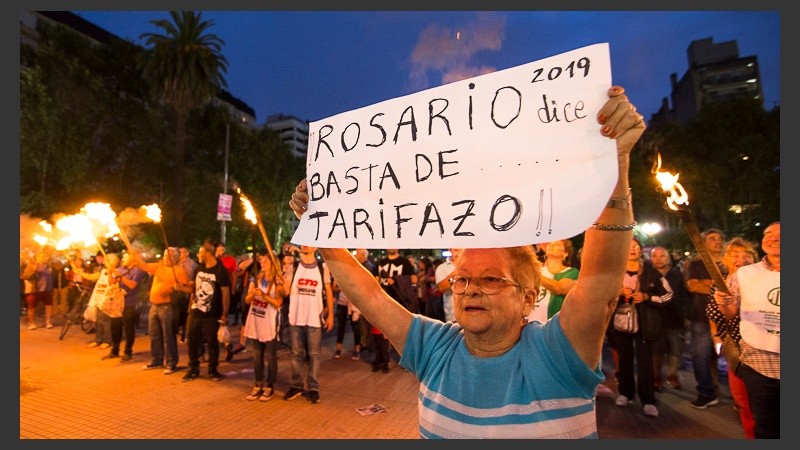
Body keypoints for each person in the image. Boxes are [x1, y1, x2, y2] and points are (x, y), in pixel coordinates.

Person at [288, 85, 645, 438]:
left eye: (491, 280)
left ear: (528, 296)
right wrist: (322, 230)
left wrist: (613, 168)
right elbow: (369, 295)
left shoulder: (559, 353)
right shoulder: (434, 346)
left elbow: (601, 279)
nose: (471, 289)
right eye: (462, 279)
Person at [713, 222, 780, 439]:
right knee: (765, 426)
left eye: (781, 234)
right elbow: (730, 312)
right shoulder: (745, 274)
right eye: (768, 234)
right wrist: (723, 302)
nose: (773, 238)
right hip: (758, 363)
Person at [612, 237, 672, 418]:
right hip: (621, 323)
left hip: (646, 323)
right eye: (629, 246)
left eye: (636, 246)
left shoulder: (651, 272)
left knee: (645, 362)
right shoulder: (615, 272)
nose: (633, 249)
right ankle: (625, 393)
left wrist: (647, 297)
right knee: (624, 359)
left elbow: (668, 294)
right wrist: (619, 293)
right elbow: (604, 294)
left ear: (641, 251)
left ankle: (648, 400)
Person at [706, 237, 758, 438]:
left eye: (746, 254)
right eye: (734, 255)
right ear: (725, 259)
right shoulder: (720, 282)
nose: (740, 259)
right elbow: (713, 313)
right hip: (736, 347)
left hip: (766, 349)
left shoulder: (765, 279)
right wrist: (716, 335)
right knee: (742, 400)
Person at [282, 245, 334, 404]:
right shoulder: (293, 266)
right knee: (296, 353)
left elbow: (329, 291)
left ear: (316, 247)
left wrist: (331, 314)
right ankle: (296, 385)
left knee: (314, 354)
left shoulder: (322, 267)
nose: (305, 245)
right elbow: (285, 291)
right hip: (296, 317)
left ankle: (313, 387)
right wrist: (283, 279)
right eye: (303, 241)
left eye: (309, 242)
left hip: (313, 318)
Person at [684, 228, 726, 409]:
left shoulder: (729, 262)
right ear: (704, 243)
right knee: (700, 356)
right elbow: (693, 286)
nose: (717, 241)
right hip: (701, 316)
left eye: (719, 238)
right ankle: (706, 392)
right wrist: (720, 286)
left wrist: (707, 284)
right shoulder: (696, 264)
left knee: (733, 358)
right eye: (711, 238)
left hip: (729, 318)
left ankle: (743, 398)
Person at [133, 247, 191, 374]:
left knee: (168, 335)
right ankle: (157, 360)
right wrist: (135, 255)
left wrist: (174, 289)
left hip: (168, 306)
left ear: (176, 258)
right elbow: (143, 266)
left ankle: (171, 362)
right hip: (154, 305)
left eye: (169, 256)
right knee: (154, 334)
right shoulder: (159, 267)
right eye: (165, 255)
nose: (165, 258)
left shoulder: (179, 271)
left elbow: (185, 288)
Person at [183, 240, 231, 382]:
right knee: (191, 341)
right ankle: (193, 369)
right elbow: (193, 288)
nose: (198, 254)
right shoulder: (199, 268)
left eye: (200, 252)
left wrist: (225, 314)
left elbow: (225, 294)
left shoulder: (220, 271)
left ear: (208, 254)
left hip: (211, 314)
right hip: (195, 312)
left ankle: (213, 369)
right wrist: (181, 288)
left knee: (212, 342)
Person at [243, 248, 286, 401]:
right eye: (261, 260)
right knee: (256, 355)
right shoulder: (256, 278)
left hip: (269, 322)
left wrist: (265, 296)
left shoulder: (277, 281)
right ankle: (258, 383)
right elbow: (247, 300)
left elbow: (278, 302)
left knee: (271, 355)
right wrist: (252, 294)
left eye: (265, 260)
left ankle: (270, 385)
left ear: (273, 263)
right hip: (256, 320)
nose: (262, 262)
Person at [650, 245, 691, 391]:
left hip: (675, 317)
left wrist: (687, 316)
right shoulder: (649, 274)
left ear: (668, 258)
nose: (659, 259)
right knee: (657, 350)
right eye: (655, 256)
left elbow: (684, 295)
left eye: (662, 256)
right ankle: (656, 376)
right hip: (655, 318)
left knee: (676, 348)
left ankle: (672, 374)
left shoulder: (677, 274)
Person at [527, 239, 579, 324]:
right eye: (550, 244)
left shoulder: (572, 272)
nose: (551, 245)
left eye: (557, 244)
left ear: (565, 253)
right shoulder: (538, 270)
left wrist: (534, 273)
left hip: (554, 325)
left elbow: (559, 288)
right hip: (531, 323)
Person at [113, 252, 147, 361]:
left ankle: (128, 351)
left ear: (132, 258)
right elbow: (112, 281)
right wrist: (111, 273)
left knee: (128, 328)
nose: (123, 258)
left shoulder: (138, 270)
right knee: (115, 326)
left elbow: (132, 285)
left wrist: (121, 277)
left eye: (125, 256)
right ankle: (114, 350)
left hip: (130, 303)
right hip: (118, 303)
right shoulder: (121, 268)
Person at [21, 250, 55, 330]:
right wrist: (34, 270)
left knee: (48, 306)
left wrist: (51, 289)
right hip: (34, 290)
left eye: (45, 256)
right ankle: (31, 323)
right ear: (37, 257)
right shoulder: (31, 265)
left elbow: (50, 278)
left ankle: (48, 322)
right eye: (42, 256)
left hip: (46, 290)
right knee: (31, 307)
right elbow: (25, 276)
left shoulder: (48, 266)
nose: (44, 258)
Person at [174, 246, 197, 342]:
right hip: (177, 291)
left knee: (185, 314)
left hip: (185, 292)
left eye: (182, 252)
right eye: (179, 252)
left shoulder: (190, 264)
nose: (180, 254)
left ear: (187, 253)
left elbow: (189, 277)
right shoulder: (177, 263)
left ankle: (185, 334)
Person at [434, 248, 464, 323]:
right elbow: (442, 287)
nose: (460, 253)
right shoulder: (442, 268)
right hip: (453, 315)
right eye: (457, 250)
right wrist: (458, 270)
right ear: (450, 250)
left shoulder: (471, 265)